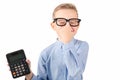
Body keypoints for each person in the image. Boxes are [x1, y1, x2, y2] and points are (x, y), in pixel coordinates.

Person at [25, 3, 89, 80]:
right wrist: (29, 75)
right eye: (62, 22)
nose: (67, 26)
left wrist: (67, 41)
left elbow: (75, 73)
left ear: (78, 25)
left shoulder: (82, 46)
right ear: (53, 26)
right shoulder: (45, 53)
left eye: (72, 22)